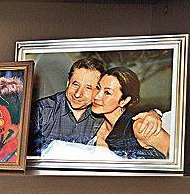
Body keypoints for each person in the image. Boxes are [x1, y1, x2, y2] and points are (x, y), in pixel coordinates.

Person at [28, 58, 163, 156]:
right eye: (75, 84)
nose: (78, 94)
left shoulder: (101, 111)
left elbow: (127, 113)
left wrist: (155, 113)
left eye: (88, 88)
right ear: (68, 82)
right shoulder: (41, 111)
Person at [90, 66, 170, 158]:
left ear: (124, 101)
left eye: (107, 93)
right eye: (98, 87)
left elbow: (178, 154)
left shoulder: (140, 126)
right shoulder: (95, 123)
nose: (97, 96)